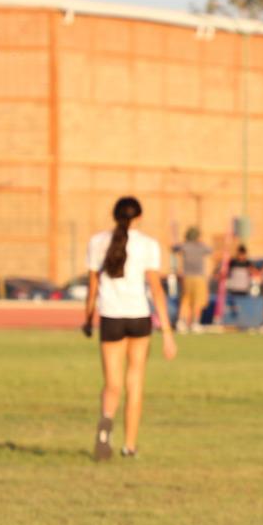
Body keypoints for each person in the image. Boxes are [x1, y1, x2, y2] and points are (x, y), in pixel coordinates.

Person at [82, 196, 177, 460]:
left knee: (112, 383)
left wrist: (88, 319)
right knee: (134, 382)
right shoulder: (148, 245)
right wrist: (167, 333)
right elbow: (156, 289)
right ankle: (130, 446)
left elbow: (92, 288)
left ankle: (105, 425)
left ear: (114, 216)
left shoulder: (97, 242)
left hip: (111, 317)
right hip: (138, 317)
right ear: (139, 217)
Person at [172, 227, 215, 333]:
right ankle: (195, 323)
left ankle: (181, 322)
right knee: (198, 301)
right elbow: (211, 250)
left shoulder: (184, 246)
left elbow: (174, 248)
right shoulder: (201, 246)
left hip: (187, 277)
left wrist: (176, 243)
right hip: (198, 277)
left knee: (185, 300)